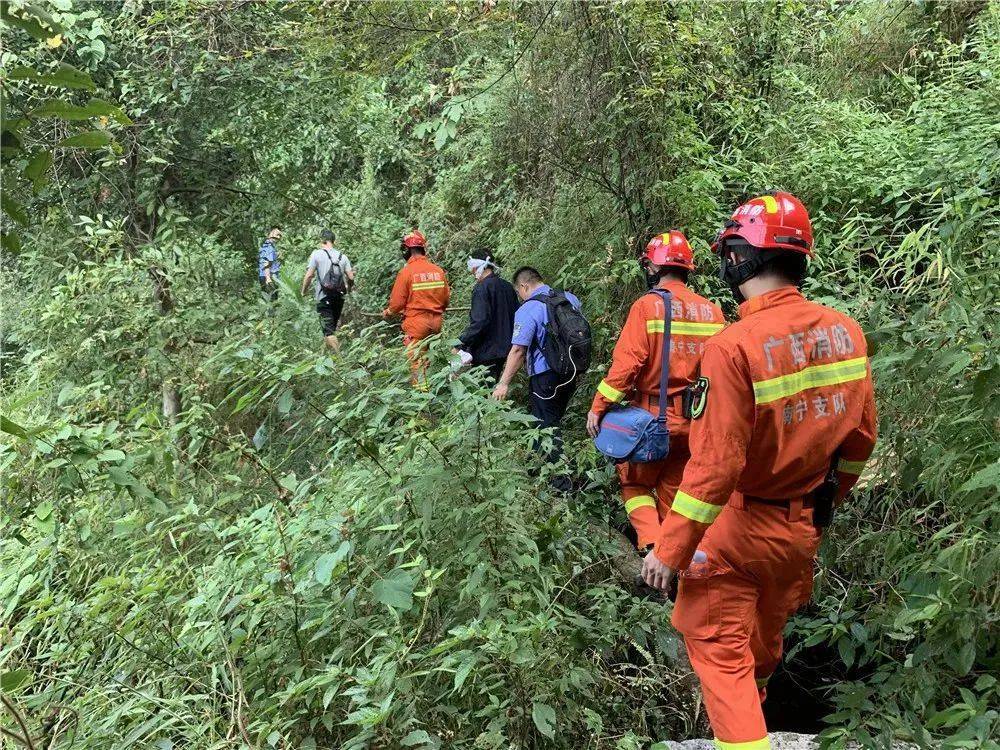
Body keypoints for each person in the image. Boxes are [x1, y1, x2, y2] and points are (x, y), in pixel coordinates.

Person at [641, 193, 877, 750]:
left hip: (738, 531)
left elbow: (716, 466)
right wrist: (823, 505)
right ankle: (760, 714)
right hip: (800, 532)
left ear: (741, 260)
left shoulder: (734, 347)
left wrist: (669, 550)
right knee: (764, 642)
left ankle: (745, 738)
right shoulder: (846, 333)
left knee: (720, 651)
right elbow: (861, 443)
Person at [586, 231, 725, 550]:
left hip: (650, 421)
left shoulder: (648, 306)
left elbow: (627, 366)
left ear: (652, 267)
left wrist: (599, 406)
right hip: (695, 421)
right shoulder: (711, 312)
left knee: (634, 484)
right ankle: (673, 561)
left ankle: (651, 547)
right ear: (687, 268)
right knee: (674, 492)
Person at [492, 267, 582, 469]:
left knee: (547, 426)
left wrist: (503, 383)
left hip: (544, 376)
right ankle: (538, 466)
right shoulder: (569, 298)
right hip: (571, 370)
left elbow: (518, 350)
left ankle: (560, 481)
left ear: (524, 286)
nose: (520, 297)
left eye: (518, 292)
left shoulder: (528, 309)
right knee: (550, 419)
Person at [382, 230, 451, 385]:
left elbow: (397, 304)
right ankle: (436, 390)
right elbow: (446, 300)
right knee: (429, 360)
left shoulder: (406, 272)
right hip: (436, 324)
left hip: (417, 325)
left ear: (407, 250)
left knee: (418, 364)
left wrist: (389, 312)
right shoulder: (438, 271)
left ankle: (423, 402)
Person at [454, 248, 519, 384]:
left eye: (471, 267)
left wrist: (460, 343)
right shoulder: (507, 286)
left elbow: (480, 321)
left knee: (484, 391)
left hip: (486, 352)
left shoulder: (481, 289)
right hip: (506, 349)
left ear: (477, 266)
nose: (471, 271)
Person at [301, 229, 355, 352]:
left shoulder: (316, 254)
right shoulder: (343, 257)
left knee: (328, 330)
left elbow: (309, 276)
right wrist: (349, 289)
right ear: (333, 241)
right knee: (330, 329)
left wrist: (303, 292)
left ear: (322, 240)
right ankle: (328, 357)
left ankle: (340, 362)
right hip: (339, 297)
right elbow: (351, 277)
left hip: (323, 297)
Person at [258, 226, 282, 301]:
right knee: (271, 301)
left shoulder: (267, 245)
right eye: (277, 234)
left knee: (268, 300)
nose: (278, 237)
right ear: (269, 234)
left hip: (265, 276)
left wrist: (276, 256)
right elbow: (266, 263)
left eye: (279, 235)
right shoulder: (269, 247)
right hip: (269, 277)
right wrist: (268, 279)